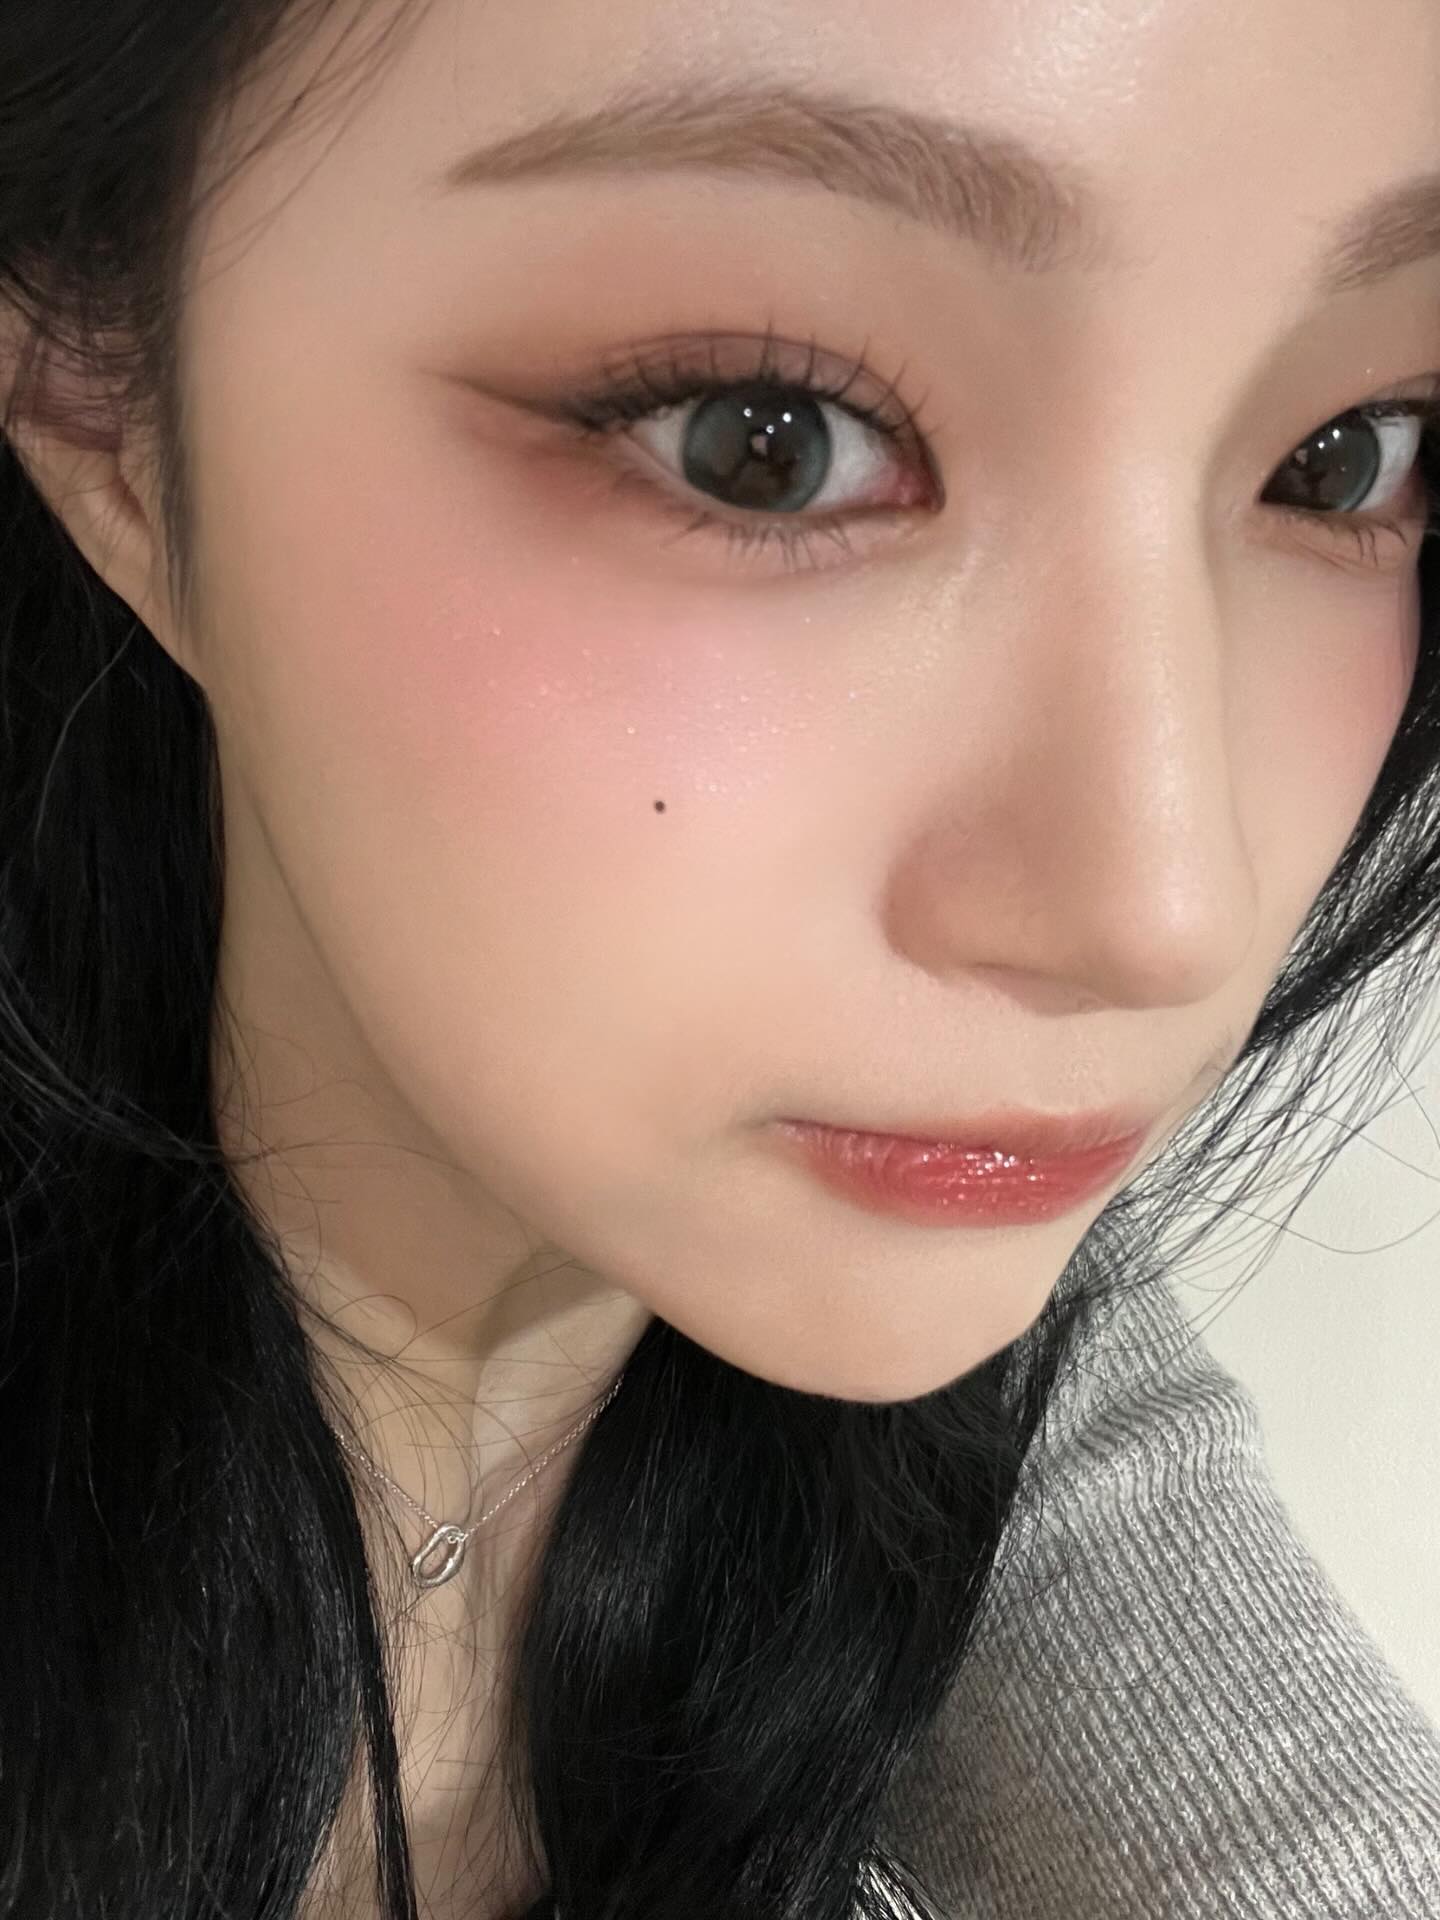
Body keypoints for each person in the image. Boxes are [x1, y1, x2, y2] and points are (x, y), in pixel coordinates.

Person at [2, 0, 1438, 1914]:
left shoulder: (1002, 1410)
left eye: (1344, 459)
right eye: (765, 443)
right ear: (102, 397)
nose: (1162, 906)